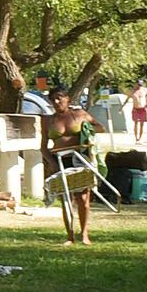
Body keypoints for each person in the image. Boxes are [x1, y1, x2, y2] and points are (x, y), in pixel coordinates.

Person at [44, 88, 100, 245]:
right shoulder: (48, 120)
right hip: (60, 160)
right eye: (53, 99)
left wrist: (87, 133)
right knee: (66, 199)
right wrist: (52, 162)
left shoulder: (79, 114)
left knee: (83, 198)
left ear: (67, 99)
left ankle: (84, 234)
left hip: (79, 158)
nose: (56, 102)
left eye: (59, 98)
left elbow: (99, 127)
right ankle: (70, 235)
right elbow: (43, 146)